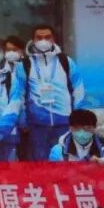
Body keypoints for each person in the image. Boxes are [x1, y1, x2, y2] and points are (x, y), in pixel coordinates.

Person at [23, 24, 87, 160]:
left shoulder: (65, 61)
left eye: (47, 37)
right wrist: (23, 118)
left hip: (63, 121)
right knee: (40, 162)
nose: (43, 41)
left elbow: (78, 88)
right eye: (39, 37)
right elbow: (19, 93)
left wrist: (78, 116)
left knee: (62, 160)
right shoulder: (25, 64)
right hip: (37, 124)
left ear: (54, 39)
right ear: (33, 40)